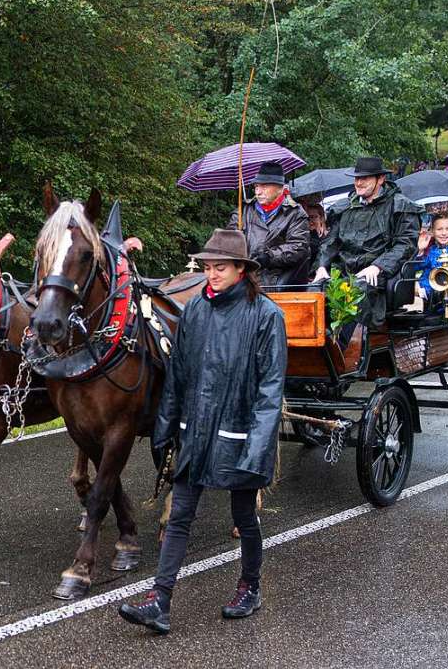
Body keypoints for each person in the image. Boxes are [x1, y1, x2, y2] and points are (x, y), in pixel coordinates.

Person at [118, 229, 286, 635]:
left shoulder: (266, 316)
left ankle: (250, 586)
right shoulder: (194, 311)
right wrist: (165, 426)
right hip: (197, 429)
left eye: (221, 267)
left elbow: (270, 389)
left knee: (244, 515)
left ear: (242, 270)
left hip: (240, 432)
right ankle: (160, 600)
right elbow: (177, 376)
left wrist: (258, 446)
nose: (212, 274)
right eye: (208, 267)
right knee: (179, 515)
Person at [313, 156, 422, 327]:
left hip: (377, 276)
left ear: (381, 179)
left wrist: (377, 266)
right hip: (342, 273)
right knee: (313, 290)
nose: (359, 183)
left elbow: (406, 244)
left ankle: (349, 348)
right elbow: (330, 242)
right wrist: (321, 267)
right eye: (357, 178)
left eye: (365, 178)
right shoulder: (345, 206)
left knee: (356, 292)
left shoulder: (399, 206)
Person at [227, 161, 311, 287]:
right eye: (256, 186)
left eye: (264, 187)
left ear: (280, 188)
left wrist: (269, 256)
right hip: (242, 277)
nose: (258, 192)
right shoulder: (243, 210)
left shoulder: (295, 213)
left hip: (275, 280)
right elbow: (228, 239)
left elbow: (298, 246)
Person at [305, 203, 327, 271]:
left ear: (321, 218)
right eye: (307, 218)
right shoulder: (303, 239)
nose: (310, 221)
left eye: (313, 217)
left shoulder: (329, 237)